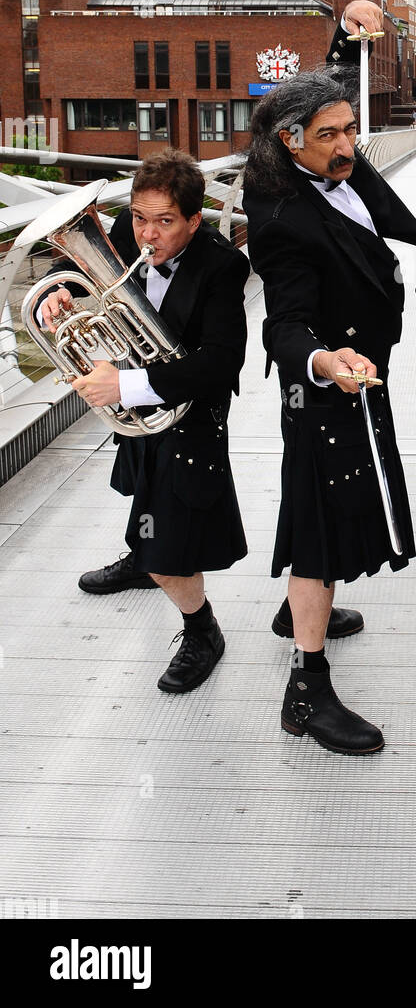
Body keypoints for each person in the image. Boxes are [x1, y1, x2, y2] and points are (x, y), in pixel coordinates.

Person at [242, 0, 416, 756]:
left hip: (361, 364)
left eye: (352, 129)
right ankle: (305, 688)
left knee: (333, 501)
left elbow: (325, 85)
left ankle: (299, 612)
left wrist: (348, 35)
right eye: (332, 136)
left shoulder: (335, 163)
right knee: (319, 521)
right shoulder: (281, 215)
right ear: (289, 144)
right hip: (328, 380)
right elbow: (283, 321)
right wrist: (322, 363)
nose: (350, 145)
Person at [41, 150, 250, 693]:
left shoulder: (223, 266)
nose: (147, 235)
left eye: (165, 222)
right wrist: (61, 290)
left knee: (173, 525)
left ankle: (201, 629)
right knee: (144, 489)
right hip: (139, 406)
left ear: (194, 219)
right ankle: (143, 557)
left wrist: (126, 386)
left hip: (190, 416)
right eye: (140, 217)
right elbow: (78, 269)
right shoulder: (125, 230)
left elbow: (221, 362)